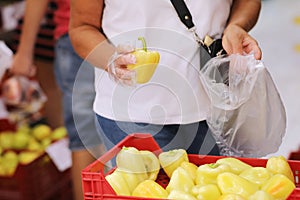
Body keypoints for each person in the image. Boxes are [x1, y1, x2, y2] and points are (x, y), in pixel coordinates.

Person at [69, 1, 262, 155]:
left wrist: (237, 25)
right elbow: (82, 27)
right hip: (134, 115)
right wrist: (111, 59)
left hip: (221, 106)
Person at [10, 0, 105, 199]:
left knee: (88, 137)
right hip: (84, 37)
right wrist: (25, 51)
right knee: (88, 137)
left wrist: (25, 51)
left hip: (87, 38)